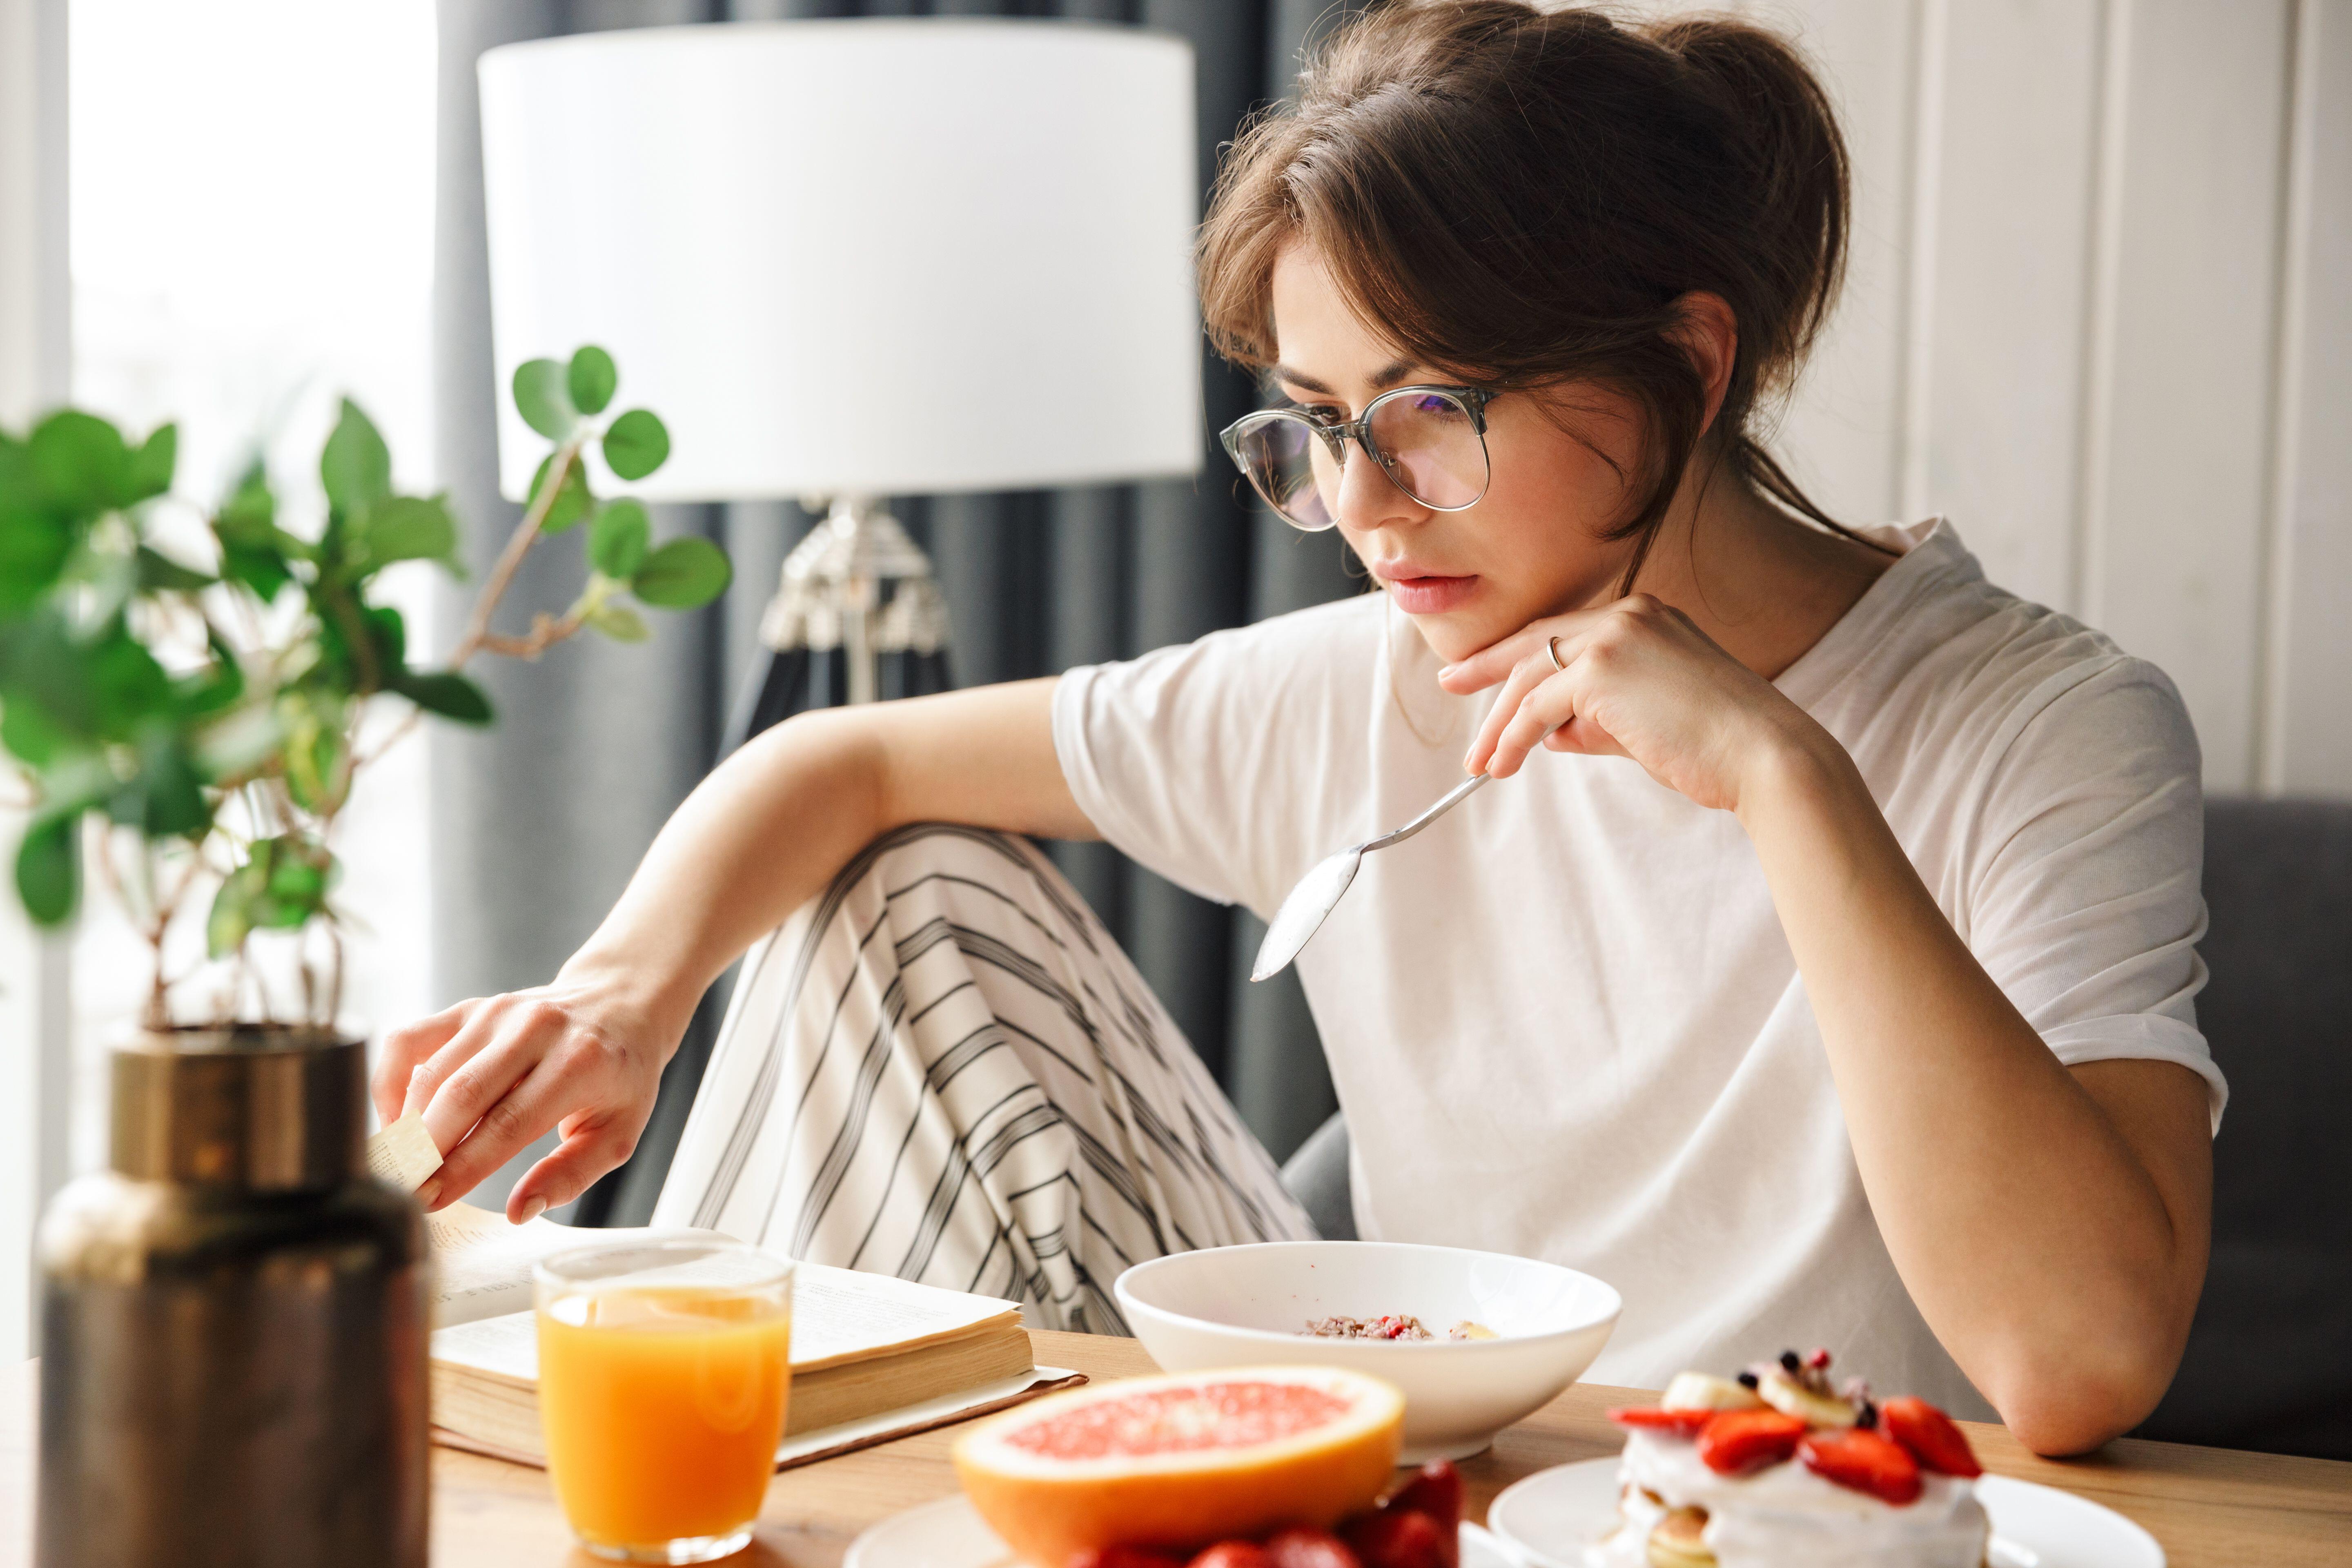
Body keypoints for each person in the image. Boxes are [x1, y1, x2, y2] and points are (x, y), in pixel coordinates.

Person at [378, 0, 2219, 1455]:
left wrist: (1780, 775)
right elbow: (835, 758)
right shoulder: (1368, 679)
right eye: (1316, 423)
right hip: (1413, 1464)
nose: (1363, 502)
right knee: (914, 879)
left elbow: (2074, 1367)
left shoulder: (2046, 725)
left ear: (1691, 359)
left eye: (1429, 410)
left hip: (1783, 1502)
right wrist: (623, 997)